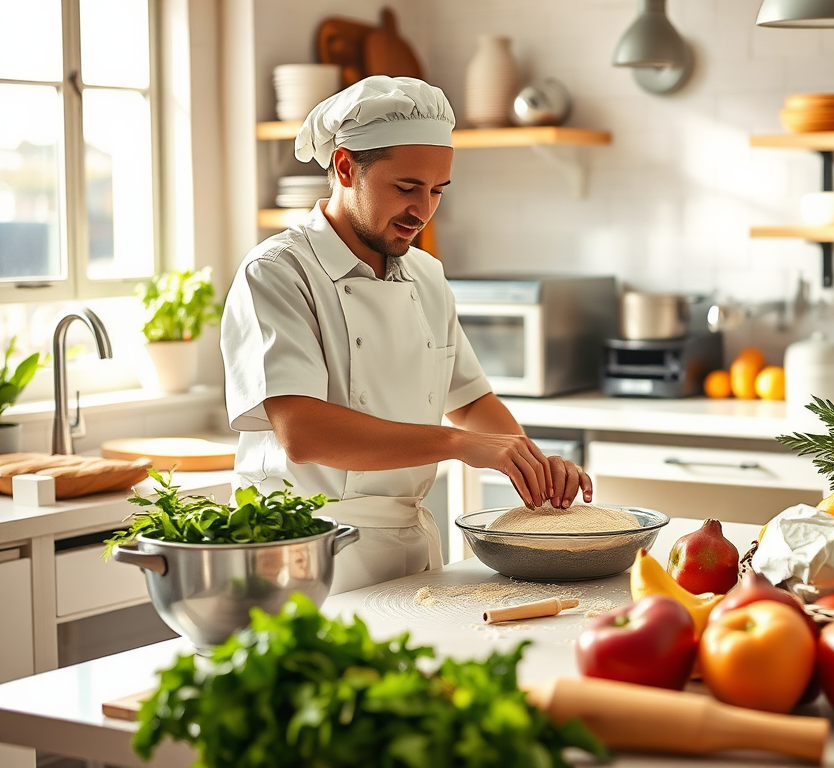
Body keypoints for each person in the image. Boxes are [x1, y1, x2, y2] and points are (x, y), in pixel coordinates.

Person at [220, 76, 592, 593]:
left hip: (406, 554)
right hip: (299, 552)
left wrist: (530, 464)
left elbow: (469, 397)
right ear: (346, 167)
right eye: (406, 188)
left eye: (437, 190)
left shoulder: (426, 276)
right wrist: (459, 445)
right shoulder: (278, 272)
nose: (424, 211)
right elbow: (302, 432)